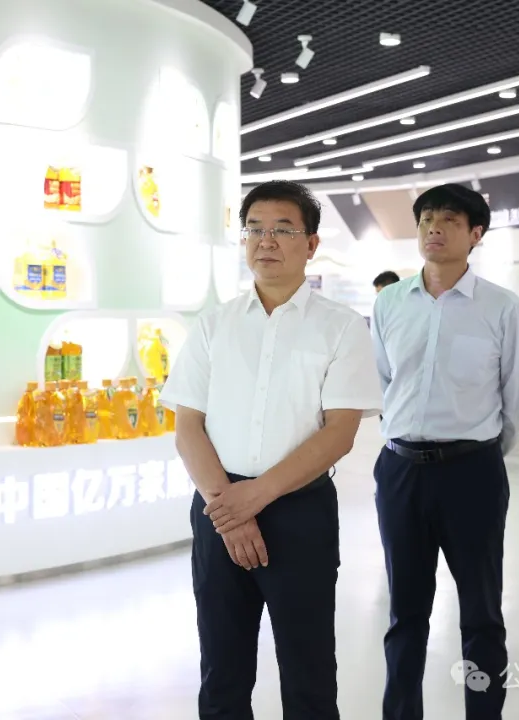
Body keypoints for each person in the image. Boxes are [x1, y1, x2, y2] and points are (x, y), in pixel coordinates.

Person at [160, 180, 382, 720]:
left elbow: (340, 432)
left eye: (283, 229)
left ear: (311, 244)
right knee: (222, 671)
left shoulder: (341, 328)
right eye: (254, 229)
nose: (266, 240)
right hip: (218, 509)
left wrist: (255, 498)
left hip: (298, 511)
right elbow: (188, 426)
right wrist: (231, 511)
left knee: (308, 673)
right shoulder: (214, 325)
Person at [370, 183, 519, 720]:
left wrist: (479, 450)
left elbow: (516, 396)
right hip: (400, 470)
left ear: (475, 234)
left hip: (472, 473)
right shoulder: (390, 303)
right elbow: (384, 381)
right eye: (426, 220)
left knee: (481, 613)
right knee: (405, 612)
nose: (434, 230)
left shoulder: (502, 308)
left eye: (448, 221)